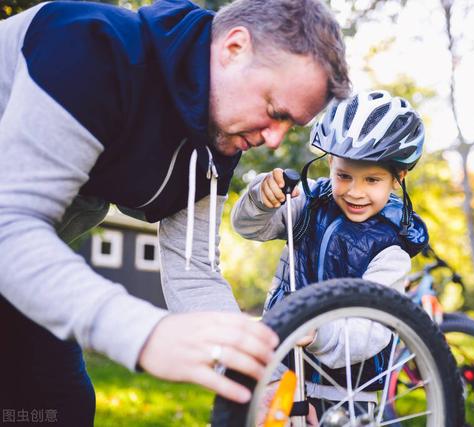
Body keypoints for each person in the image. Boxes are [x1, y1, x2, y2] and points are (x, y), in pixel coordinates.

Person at [0, 0, 350, 424]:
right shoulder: (87, 46)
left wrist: (265, 384)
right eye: (275, 112)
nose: (275, 140)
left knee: (59, 405)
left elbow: (193, 271)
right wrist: (146, 334)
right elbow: (11, 224)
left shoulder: (217, 139)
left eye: (289, 125)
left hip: (20, 272)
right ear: (234, 48)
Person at [232, 90, 428, 418]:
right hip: (281, 368)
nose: (355, 191)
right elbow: (250, 228)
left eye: (372, 180)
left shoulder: (391, 249)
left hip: (346, 390)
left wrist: (318, 333)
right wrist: (259, 200)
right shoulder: (310, 205)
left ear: (398, 178)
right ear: (329, 163)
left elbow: (373, 328)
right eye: (344, 175)